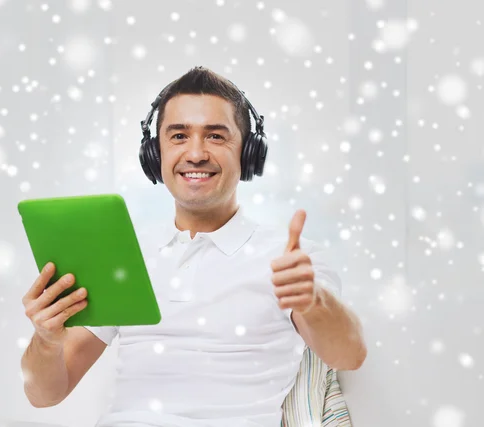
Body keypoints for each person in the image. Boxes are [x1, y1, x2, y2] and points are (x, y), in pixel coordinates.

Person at [21, 66, 367, 427]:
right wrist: (45, 340)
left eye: (216, 136)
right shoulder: (125, 253)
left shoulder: (292, 259)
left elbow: (349, 355)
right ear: (155, 153)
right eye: (178, 136)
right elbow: (44, 395)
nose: (196, 153)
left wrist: (311, 299)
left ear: (248, 153)